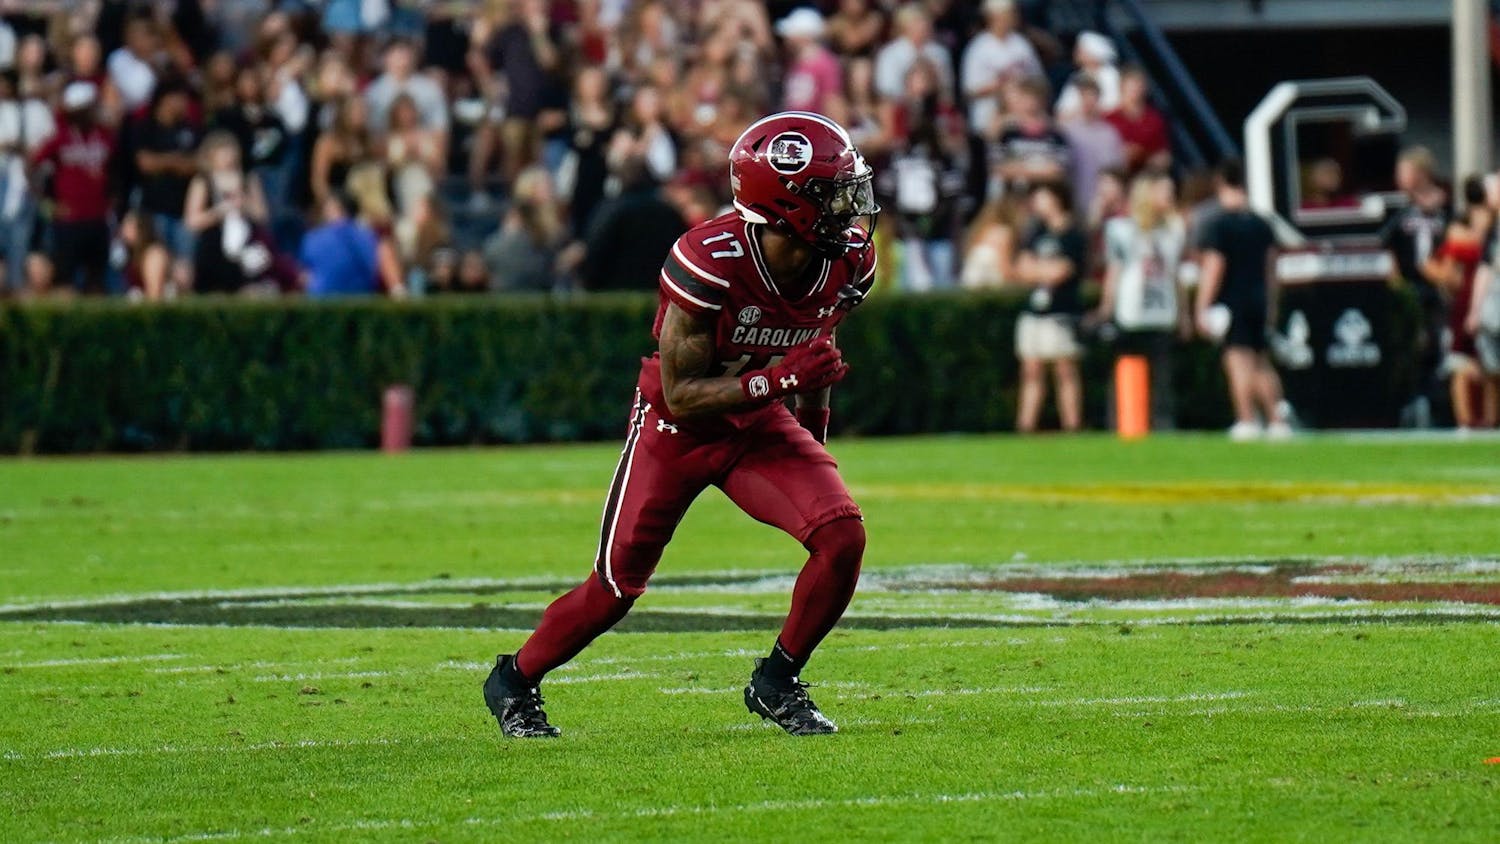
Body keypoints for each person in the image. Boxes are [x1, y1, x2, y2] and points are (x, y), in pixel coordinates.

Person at [483, 112, 880, 739]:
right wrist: (783, 381)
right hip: (678, 428)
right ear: (785, 202)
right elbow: (683, 392)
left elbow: (818, 355)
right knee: (615, 588)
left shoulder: (849, 262)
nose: (849, 209)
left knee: (841, 537)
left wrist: (812, 434)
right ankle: (515, 680)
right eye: (831, 194)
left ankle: (778, 679)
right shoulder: (710, 257)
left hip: (758, 423)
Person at [1196, 159, 1291, 440]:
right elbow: (1271, 268)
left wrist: (1202, 305)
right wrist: (1272, 304)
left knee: (1238, 361)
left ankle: (1247, 419)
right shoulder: (1261, 224)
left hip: (1232, 300)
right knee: (1261, 360)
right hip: (1258, 298)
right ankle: (1276, 420)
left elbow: (1215, 266)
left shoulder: (1219, 224)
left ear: (1220, 184)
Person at [1094, 171, 1187, 430]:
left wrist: (1184, 314)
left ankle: (1163, 425)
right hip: (1131, 311)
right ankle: (1122, 423)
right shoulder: (1122, 229)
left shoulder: (1174, 229)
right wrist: (1106, 308)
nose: (1170, 196)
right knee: (1125, 372)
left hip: (1162, 311)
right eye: (1164, 190)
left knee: (1163, 378)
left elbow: (1175, 274)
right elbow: (1115, 271)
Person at [881, 58, 967, 291]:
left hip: (939, 228)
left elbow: (953, 186)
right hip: (905, 228)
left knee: (941, 281)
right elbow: (887, 189)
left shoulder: (945, 118)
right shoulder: (900, 145)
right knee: (908, 282)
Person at [1381, 146, 1452, 425]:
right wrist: (1397, 283)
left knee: (1438, 347)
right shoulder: (1400, 212)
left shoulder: (1445, 209)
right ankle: (1410, 404)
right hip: (1411, 291)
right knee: (1410, 347)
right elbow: (1388, 249)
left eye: (1405, 172)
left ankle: (1438, 406)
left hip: (1438, 290)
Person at [1012, 180, 1087, 433]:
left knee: (1065, 369)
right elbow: (1021, 268)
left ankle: (1072, 424)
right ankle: (1026, 425)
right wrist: (1043, 271)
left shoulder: (1073, 234)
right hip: (1034, 310)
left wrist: (1038, 269)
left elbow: (1063, 271)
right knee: (1031, 370)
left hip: (1061, 311)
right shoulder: (1035, 232)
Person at [1425, 175, 1496, 430]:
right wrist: (1448, 280)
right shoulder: (1460, 225)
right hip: (1466, 301)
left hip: (1488, 299)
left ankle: (1491, 420)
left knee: (1490, 366)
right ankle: (1464, 421)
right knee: (1462, 362)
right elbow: (1434, 264)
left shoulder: (1490, 228)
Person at [31, 82, 115, 295]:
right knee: (64, 280)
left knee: (97, 280)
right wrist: (46, 202)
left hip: (97, 218)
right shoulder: (60, 138)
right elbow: (31, 165)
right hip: (69, 221)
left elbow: (116, 172)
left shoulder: (105, 135)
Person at [578, 157, 686, 291]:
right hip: (658, 290)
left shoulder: (612, 210)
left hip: (615, 292)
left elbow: (596, 251)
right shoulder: (669, 212)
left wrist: (589, 283)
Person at [133, 82, 202, 263]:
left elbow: (199, 163)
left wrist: (163, 162)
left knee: (184, 263)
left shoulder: (190, 129)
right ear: (164, 100)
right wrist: (174, 160)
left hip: (185, 209)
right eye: (178, 98)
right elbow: (145, 163)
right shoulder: (146, 127)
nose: (183, 103)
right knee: (158, 257)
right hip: (155, 208)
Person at [960, 0, 1041, 134]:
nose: (1013, 18)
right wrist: (1002, 84)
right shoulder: (979, 46)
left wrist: (1020, 83)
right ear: (993, 17)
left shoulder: (1021, 43)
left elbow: (1038, 80)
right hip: (987, 119)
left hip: (1023, 120)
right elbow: (970, 91)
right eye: (1008, 14)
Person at [482, 165, 565, 292]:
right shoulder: (518, 217)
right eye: (544, 187)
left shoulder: (559, 219)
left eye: (550, 185)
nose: (551, 191)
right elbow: (495, 251)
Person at [1058, 74, 1124, 215]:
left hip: (1102, 204)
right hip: (1072, 201)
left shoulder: (1110, 133)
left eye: (1092, 96)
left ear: (1098, 98)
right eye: (1084, 96)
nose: (1088, 101)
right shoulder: (1066, 131)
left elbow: (1115, 169)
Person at [299, 192, 381, 297]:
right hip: (361, 300)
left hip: (321, 303)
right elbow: (372, 269)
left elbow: (305, 274)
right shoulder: (367, 235)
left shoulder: (313, 238)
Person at [873, 3, 952, 102]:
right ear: (905, 25)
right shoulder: (890, 54)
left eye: (926, 21)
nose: (924, 25)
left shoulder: (940, 53)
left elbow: (947, 89)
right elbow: (886, 91)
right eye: (918, 22)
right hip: (900, 108)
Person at [1105, 65, 1171, 176]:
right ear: (1121, 88)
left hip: (1147, 177)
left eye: (1138, 86)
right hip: (1118, 176)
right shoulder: (1109, 119)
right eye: (1131, 87)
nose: (1135, 91)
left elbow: (1164, 155)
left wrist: (1146, 158)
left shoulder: (1155, 119)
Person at [777, 8, 843, 115]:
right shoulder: (794, 62)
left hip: (814, 127)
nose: (787, 39)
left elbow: (832, 100)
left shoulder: (825, 64)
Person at [1054, 31, 1119, 122]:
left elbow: (1111, 105)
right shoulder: (1077, 76)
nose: (1076, 53)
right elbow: (1063, 108)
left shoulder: (1111, 75)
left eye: (1080, 50)